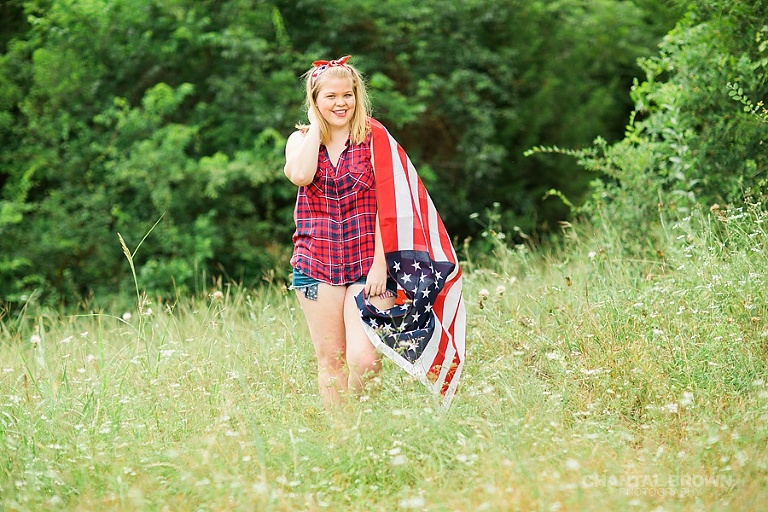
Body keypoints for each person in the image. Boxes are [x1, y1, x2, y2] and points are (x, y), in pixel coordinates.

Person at [284, 55, 397, 408]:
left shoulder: (374, 138)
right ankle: (343, 433)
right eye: (330, 96)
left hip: (369, 264)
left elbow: (390, 206)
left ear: (357, 96)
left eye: (347, 95)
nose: (341, 103)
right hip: (316, 264)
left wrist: (381, 264)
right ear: (315, 100)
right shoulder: (300, 140)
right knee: (331, 361)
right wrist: (316, 128)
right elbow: (300, 176)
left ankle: (364, 420)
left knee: (365, 359)